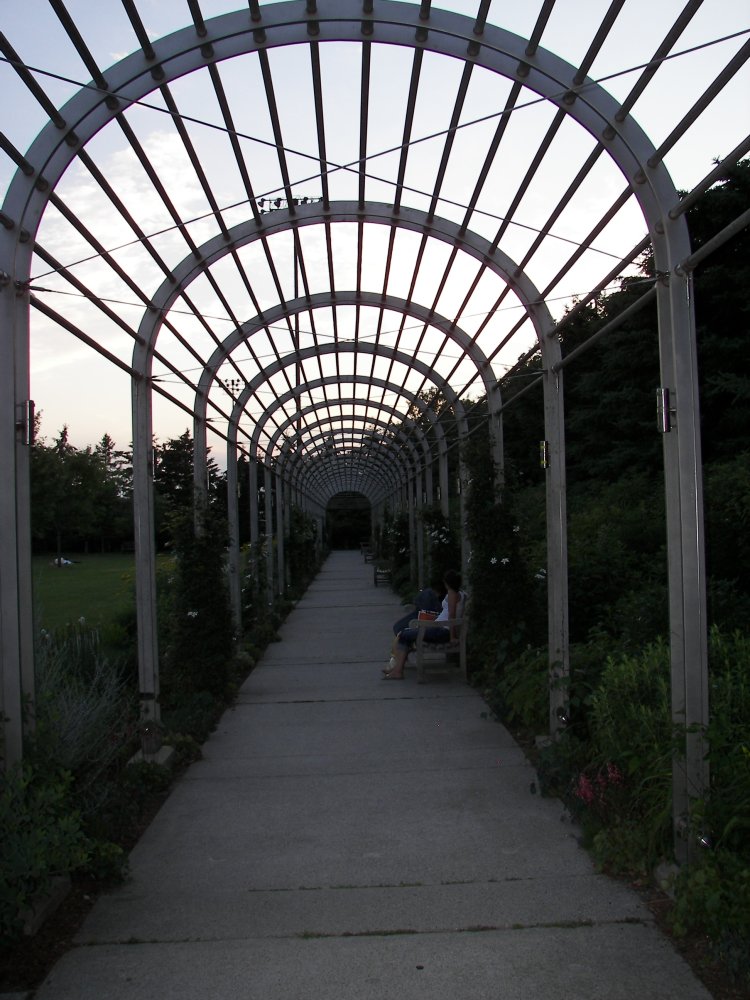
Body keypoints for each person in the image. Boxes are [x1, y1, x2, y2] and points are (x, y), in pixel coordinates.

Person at [383, 569, 466, 680]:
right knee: (405, 635)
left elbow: (451, 616)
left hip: (441, 631)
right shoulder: (461, 593)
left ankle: (397, 671)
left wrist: (452, 637)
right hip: (439, 629)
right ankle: (396, 669)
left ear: (447, 583)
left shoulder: (452, 593)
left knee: (403, 634)